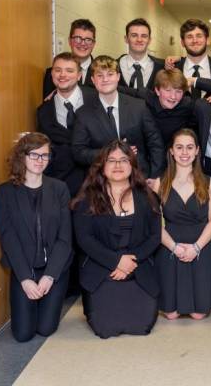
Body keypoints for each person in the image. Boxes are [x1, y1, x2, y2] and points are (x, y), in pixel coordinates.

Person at [71, 140, 161, 338]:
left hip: (139, 267)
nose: (118, 165)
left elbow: (155, 237)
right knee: (105, 328)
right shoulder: (88, 198)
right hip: (101, 270)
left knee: (142, 326)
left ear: (132, 165)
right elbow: (85, 239)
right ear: (102, 167)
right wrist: (116, 261)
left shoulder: (147, 196)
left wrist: (131, 260)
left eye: (123, 160)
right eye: (111, 160)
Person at [0, 132, 73, 342]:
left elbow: (65, 238)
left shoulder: (59, 188)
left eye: (45, 156)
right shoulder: (6, 192)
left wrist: (50, 275)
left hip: (54, 269)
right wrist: (25, 279)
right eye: (34, 155)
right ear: (22, 156)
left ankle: (46, 297)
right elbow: (8, 238)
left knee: (46, 328)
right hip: (25, 270)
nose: (40, 161)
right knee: (23, 334)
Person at [151, 129, 211, 320]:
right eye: (179, 147)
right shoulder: (159, 183)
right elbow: (155, 224)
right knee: (171, 314)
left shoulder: (209, 182)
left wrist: (196, 248)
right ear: (171, 151)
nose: (184, 153)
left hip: (202, 246)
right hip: (170, 246)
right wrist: (175, 248)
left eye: (189, 147)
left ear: (197, 151)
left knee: (198, 315)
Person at [72, 55, 165, 180]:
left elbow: (155, 144)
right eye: (100, 75)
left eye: (110, 74)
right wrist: (109, 152)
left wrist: (154, 177)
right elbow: (78, 152)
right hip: (102, 181)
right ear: (93, 80)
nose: (105, 79)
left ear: (118, 77)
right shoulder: (83, 113)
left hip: (138, 177)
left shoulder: (139, 106)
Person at [37, 52, 97, 197]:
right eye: (57, 70)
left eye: (69, 70)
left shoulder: (97, 99)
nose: (62, 75)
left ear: (79, 75)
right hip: (62, 188)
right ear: (52, 74)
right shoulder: (43, 111)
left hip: (97, 184)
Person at [164, 19, 211, 100]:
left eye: (199, 36)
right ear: (182, 42)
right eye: (189, 36)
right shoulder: (172, 68)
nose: (195, 40)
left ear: (207, 40)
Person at [42, 19, 96, 97]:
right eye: (77, 38)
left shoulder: (104, 74)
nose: (83, 43)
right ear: (69, 41)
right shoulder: (52, 75)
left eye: (88, 40)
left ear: (93, 44)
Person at [117, 18, 165, 91]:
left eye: (144, 36)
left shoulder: (162, 67)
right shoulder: (113, 67)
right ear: (126, 39)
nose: (139, 40)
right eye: (134, 35)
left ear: (149, 40)